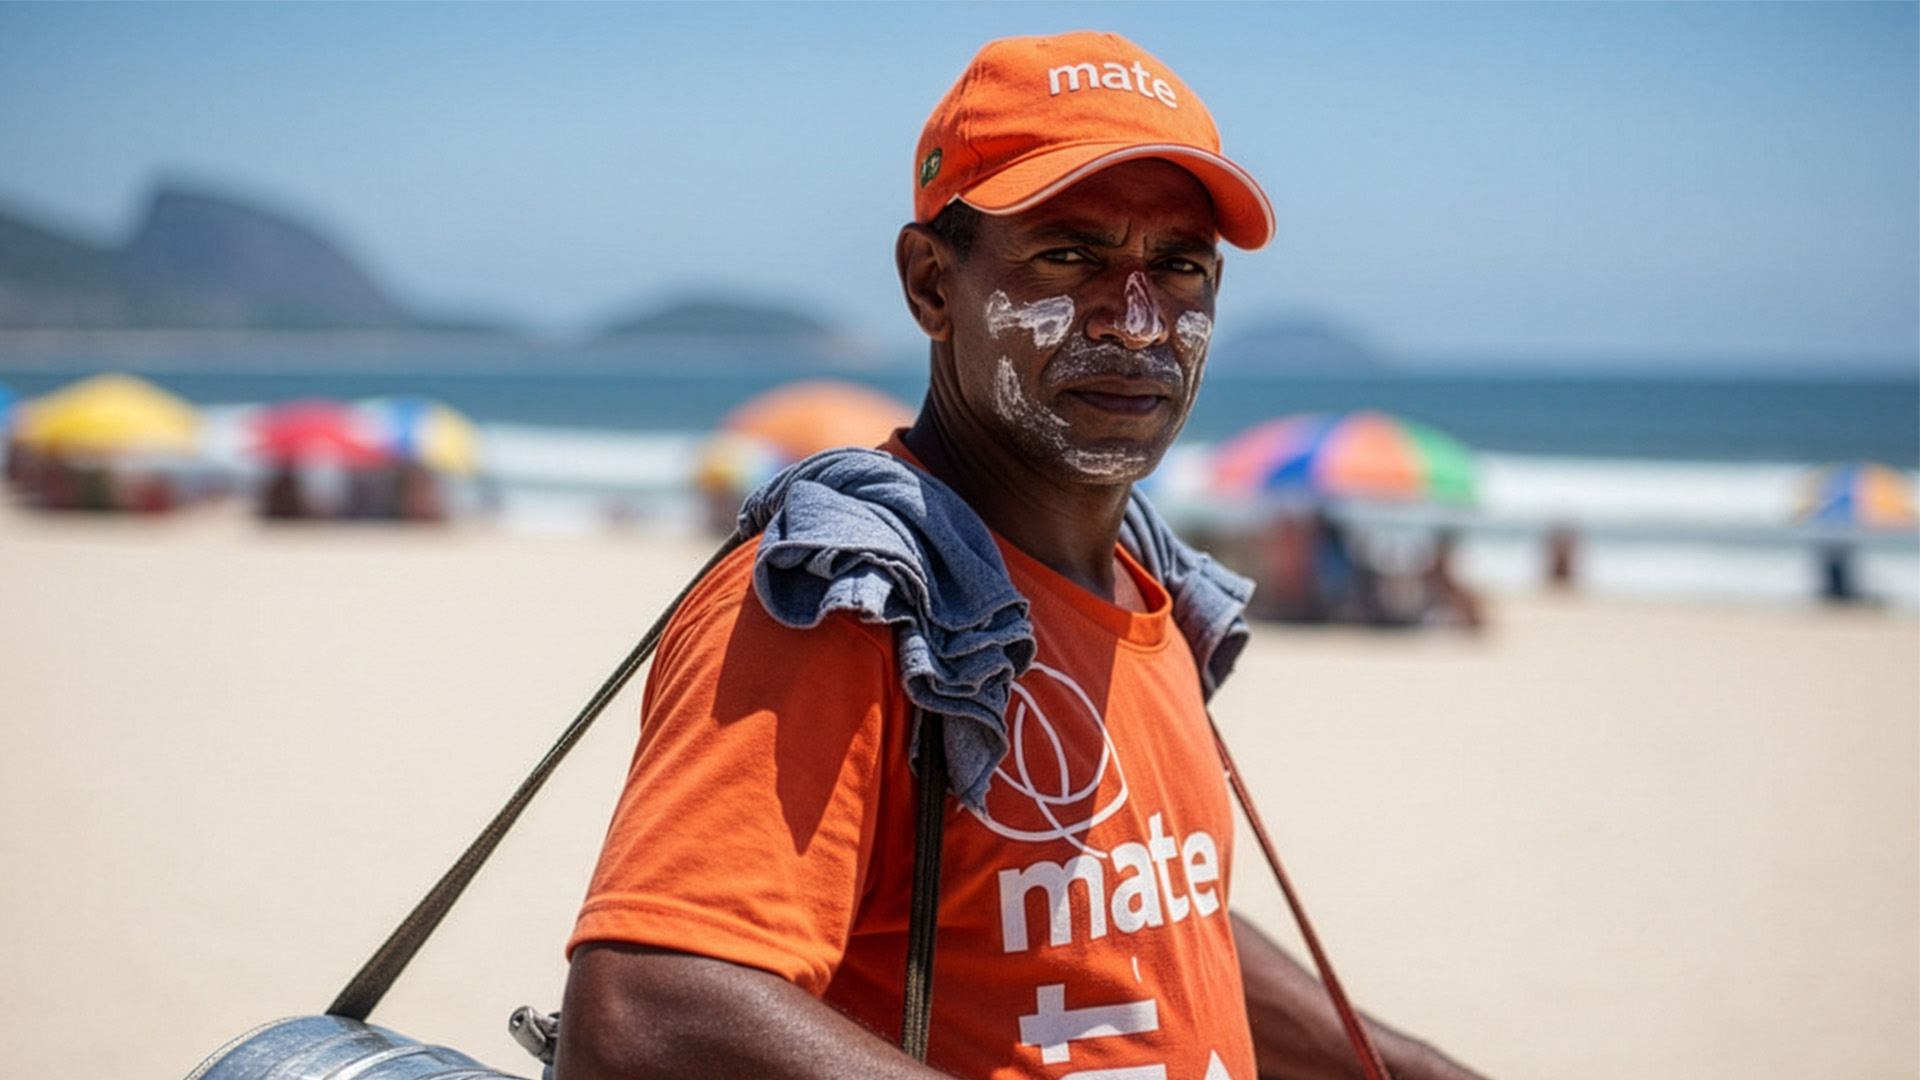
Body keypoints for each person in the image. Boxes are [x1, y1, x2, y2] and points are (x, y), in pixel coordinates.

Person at [557, 32, 1489, 1080]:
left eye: (1178, 267)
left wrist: (1407, 1069)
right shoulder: (850, 603)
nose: (1139, 323)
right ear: (931, 285)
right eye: (1070, 255)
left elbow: (1139, 919)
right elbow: (648, 1013)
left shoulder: (1149, 589)